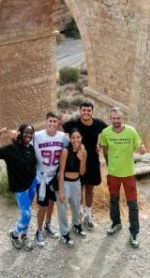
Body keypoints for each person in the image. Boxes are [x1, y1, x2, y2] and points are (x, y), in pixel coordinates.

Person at [100, 107, 147, 249]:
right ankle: (116, 223)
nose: (116, 121)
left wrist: (142, 150)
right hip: (113, 173)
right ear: (110, 119)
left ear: (122, 118)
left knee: (132, 204)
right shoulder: (106, 132)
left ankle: (134, 233)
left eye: (118, 118)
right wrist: (109, 166)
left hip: (128, 174)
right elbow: (105, 150)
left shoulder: (131, 131)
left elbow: (140, 146)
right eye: (113, 118)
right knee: (113, 200)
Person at [62, 100, 108, 230]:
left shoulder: (99, 124)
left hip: (92, 160)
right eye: (84, 110)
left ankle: (88, 214)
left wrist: (99, 145)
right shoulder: (73, 123)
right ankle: (79, 214)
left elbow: (108, 134)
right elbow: (60, 130)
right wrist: (62, 120)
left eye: (89, 110)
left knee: (89, 189)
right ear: (80, 111)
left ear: (92, 112)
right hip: (76, 161)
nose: (86, 112)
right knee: (78, 189)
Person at [0, 124, 37, 251]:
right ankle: (15, 234)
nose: (28, 135)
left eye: (31, 133)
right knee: (26, 215)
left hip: (32, 184)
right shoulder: (11, 149)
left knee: (29, 211)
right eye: (26, 133)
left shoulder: (30, 148)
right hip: (20, 188)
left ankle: (25, 235)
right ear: (20, 133)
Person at [32, 112, 69, 247]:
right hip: (41, 177)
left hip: (55, 177)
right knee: (42, 205)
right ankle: (39, 230)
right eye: (50, 121)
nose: (52, 124)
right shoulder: (37, 136)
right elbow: (24, 144)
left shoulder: (62, 137)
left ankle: (48, 224)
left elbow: (71, 148)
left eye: (55, 121)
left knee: (52, 201)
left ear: (58, 123)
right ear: (46, 121)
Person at [57, 128, 87, 246]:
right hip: (65, 183)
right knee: (63, 209)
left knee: (76, 206)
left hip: (76, 182)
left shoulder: (83, 151)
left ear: (81, 138)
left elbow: (82, 172)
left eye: (78, 137)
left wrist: (82, 158)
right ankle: (64, 233)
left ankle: (76, 225)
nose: (76, 140)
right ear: (69, 139)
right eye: (73, 137)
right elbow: (61, 171)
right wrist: (61, 191)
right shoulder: (65, 151)